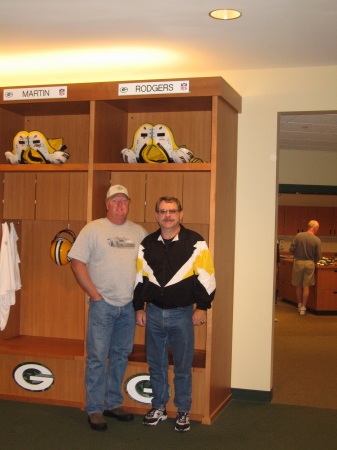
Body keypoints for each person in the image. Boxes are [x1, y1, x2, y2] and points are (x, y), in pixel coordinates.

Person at [133, 196, 216, 432]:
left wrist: (202, 307)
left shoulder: (195, 242)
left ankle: (183, 411)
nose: (167, 215)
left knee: (182, 366)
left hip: (182, 315)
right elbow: (139, 278)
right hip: (154, 314)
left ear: (181, 214)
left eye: (172, 211)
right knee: (155, 365)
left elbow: (207, 277)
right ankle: (158, 407)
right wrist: (139, 306)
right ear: (156, 215)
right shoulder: (147, 244)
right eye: (162, 211)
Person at [68, 185, 147, 431]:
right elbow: (76, 261)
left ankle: (113, 403)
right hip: (102, 306)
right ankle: (94, 409)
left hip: (128, 306)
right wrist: (95, 295)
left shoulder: (139, 232)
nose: (120, 204)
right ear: (107, 204)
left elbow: (146, 269)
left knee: (120, 356)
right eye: (115, 200)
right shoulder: (93, 229)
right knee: (97, 358)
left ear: (129, 204)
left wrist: (139, 304)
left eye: (124, 200)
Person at [290, 220, 322, 316]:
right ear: (315, 228)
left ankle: (299, 304)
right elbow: (318, 255)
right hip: (310, 263)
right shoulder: (317, 240)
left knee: (298, 285)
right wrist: (314, 261)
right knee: (306, 286)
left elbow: (292, 249)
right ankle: (304, 307)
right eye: (318, 228)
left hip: (298, 262)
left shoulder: (298, 236)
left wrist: (297, 255)